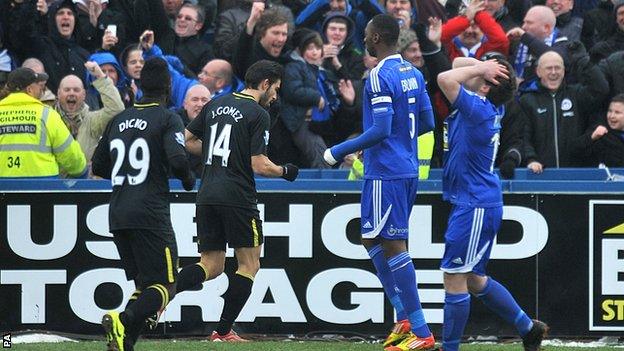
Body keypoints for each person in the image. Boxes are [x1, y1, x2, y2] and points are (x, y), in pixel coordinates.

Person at [323, 14, 436, 351]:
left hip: (385, 170)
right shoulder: (413, 73)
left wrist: (336, 151)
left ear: (373, 40)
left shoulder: (377, 76)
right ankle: (403, 317)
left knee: (392, 245)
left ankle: (421, 331)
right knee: (370, 237)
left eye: (367, 35)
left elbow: (381, 129)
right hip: (407, 168)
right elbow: (429, 122)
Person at [180, 59, 299, 342]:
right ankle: (222, 331)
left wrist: (220, 152)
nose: (275, 96)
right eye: (276, 89)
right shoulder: (258, 114)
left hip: (206, 193)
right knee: (249, 265)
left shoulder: (216, 103)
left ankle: (161, 292)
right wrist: (286, 171)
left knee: (211, 265)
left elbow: (187, 139)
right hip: (238, 197)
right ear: (266, 84)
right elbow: (259, 165)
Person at [436, 56, 548, 351]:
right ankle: (527, 327)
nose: (474, 69)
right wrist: (487, 68)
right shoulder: (486, 103)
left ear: (484, 87)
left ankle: (449, 348)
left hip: (474, 204)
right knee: (473, 278)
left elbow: (445, 78)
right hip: (477, 200)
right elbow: (459, 61)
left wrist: (483, 70)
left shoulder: (477, 108)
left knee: (455, 276)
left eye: (484, 72)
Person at [91, 57, 196, 351]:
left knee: (144, 287)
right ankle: (123, 320)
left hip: (118, 212)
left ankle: (125, 344)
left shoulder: (118, 119)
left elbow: (98, 165)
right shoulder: (167, 118)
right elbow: (177, 160)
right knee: (166, 284)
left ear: (137, 85)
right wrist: (188, 181)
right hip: (150, 213)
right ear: (169, 86)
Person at [0, 67, 87, 178]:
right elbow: (70, 155)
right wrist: (81, 170)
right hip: (42, 186)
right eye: (38, 84)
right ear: (29, 90)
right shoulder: (47, 115)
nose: (42, 88)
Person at [56, 61, 125, 162]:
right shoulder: (49, 118)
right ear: (58, 93)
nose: (71, 93)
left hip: (85, 177)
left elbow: (116, 109)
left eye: (76, 90)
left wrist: (100, 76)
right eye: (67, 90)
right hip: (54, 177)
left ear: (84, 94)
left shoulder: (92, 121)